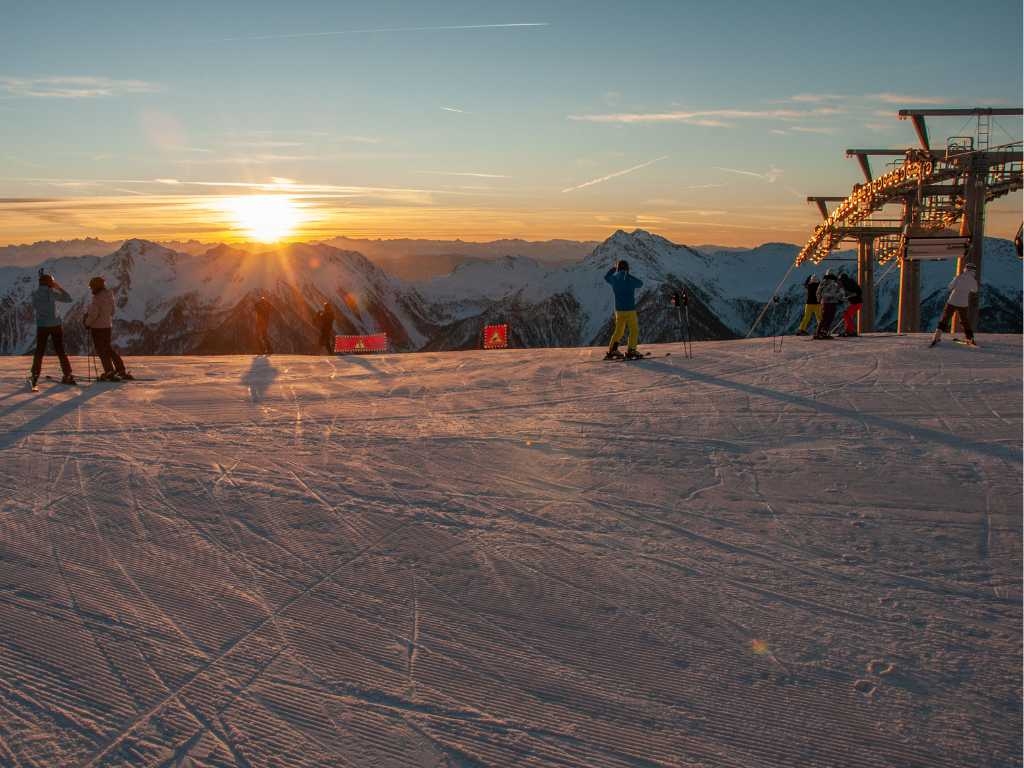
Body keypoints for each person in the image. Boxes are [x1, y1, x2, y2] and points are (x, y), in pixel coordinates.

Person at [30, 270, 76, 386]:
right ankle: (67, 374)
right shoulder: (52, 294)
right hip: (55, 325)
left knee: (39, 351)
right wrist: (58, 287)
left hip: (42, 326)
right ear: (50, 283)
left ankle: (35, 374)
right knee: (60, 350)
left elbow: (36, 306)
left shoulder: (34, 294)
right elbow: (68, 298)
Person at [84, 276, 132, 381]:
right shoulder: (110, 296)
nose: (91, 289)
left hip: (97, 328)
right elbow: (112, 311)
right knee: (108, 349)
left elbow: (93, 314)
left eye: (92, 287)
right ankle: (120, 370)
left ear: (96, 287)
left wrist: (87, 323)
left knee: (101, 351)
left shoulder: (97, 298)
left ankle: (109, 371)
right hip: (107, 326)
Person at [930, 263, 979, 347]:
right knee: (964, 321)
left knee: (945, 319)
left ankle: (936, 337)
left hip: (952, 301)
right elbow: (975, 290)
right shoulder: (973, 281)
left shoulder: (958, 277)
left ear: (965, 269)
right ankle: (970, 338)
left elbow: (950, 287)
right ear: (973, 271)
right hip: (963, 303)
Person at [604, 259, 644, 359]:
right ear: (627, 269)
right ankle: (631, 350)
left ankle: (612, 350)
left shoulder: (614, 279)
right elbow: (640, 283)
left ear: (618, 268)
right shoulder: (629, 279)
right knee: (633, 330)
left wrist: (614, 269)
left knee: (619, 331)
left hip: (619, 310)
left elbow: (606, 277)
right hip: (630, 310)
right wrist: (628, 275)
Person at [814, 271, 844, 340]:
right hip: (833, 302)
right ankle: (824, 332)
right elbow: (840, 292)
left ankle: (818, 332)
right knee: (830, 318)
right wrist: (841, 299)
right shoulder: (836, 283)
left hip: (824, 302)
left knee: (824, 317)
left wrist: (819, 299)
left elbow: (818, 292)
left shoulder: (823, 282)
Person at [838, 272, 863, 337]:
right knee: (847, 315)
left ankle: (850, 331)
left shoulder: (847, 284)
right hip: (857, 302)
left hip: (855, 302)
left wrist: (847, 297)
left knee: (847, 315)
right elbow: (858, 291)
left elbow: (854, 293)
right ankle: (848, 330)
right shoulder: (851, 282)